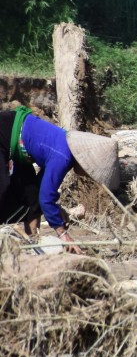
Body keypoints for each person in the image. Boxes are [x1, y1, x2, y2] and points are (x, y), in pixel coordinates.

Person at [0, 108, 119, 253]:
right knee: (3, 188)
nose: (86, 176)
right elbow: (46, 198)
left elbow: (42, 190)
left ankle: (32, 244)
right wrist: (62, 233)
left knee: (32, 195)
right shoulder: (63, 157)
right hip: (4, 132)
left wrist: (56, 210)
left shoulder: (64, 152)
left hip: (18, 148)